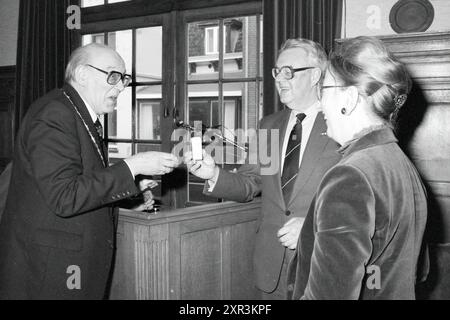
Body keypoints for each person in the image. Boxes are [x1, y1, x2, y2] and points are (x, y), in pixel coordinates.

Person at [0, 43, 179, 299]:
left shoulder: (75, 113)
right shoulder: (55, 114)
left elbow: (79, 184)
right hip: (49, 270)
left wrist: (129, 196)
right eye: (113, 76)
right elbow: (65, 196)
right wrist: (133, 165)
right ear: (82, 74)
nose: (120, 87)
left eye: (123, 79)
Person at [184, 38, 341, 299]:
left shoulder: (340, 123)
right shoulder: (270, 126)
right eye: (277, 72)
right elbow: (254, 181)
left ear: (315, 75)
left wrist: (315, 224)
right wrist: (213, 174)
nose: (279, 79)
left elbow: (356, 197)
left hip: (320, 263)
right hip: (271, 268)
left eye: (288, 72)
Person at [286, 36, 428, 300]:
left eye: (324, 89)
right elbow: (417, 270)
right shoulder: (401, 163)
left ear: (349, 98)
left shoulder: (350, 175)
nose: (320, 103)